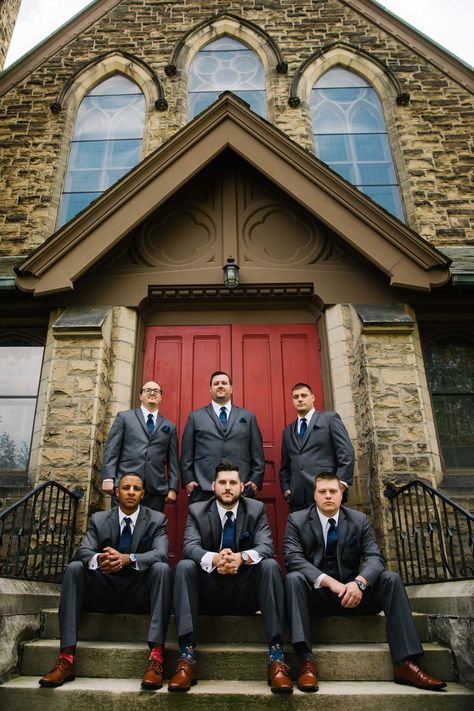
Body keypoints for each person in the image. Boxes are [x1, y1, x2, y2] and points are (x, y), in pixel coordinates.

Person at [283, 472, 446, 693]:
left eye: (333, 491)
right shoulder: (297, 520)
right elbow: (293, 558)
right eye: (322, 491)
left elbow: (375, 558)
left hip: (353, 597)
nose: (328, 496)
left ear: (342, 494)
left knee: (391, 579)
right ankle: (306, 661)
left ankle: (405, 663)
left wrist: (359, 583)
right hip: (316, 598)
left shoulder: (359, 520)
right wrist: (331, 583)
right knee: (293, 579)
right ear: (315, 494)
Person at [38, 473, 172, 690]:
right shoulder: (99, 519)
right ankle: (66, 657)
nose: (130, 492)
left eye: (136, 489)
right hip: (105, 589)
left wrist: (127, 559)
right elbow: (83, 551)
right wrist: (101, 559)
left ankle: (156, 657)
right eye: (126, 488)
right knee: (74, 568)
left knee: (162, 569)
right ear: (117, 492)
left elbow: (162, 553)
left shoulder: (157, 519)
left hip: (139, 593)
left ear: (143, 494)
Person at [168, 461, 292, 693]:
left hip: (245, 592)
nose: (227, 487)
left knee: (271, 566)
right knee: (185, 566)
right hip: (209, 591)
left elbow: (266, 546)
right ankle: (186, 656)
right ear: (213, 486)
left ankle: (276, 655)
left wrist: (240, 558)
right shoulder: (197, 510)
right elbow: (190, 547)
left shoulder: (255, 509)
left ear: (242, 486)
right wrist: (216, 559)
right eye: (222, 483)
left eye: (233, 483)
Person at [181, 371, 264, 503]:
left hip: (241, 487)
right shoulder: (195, 417)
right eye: (216, 383)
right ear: (210, 389)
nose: (220, 386)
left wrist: (255, 481)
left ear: (231, 389)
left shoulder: (248, 417)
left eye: (224, 383)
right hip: (203, 487)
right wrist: (188, 480)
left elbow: (257, 453)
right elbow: (186, 454)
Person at [101, 380, 179, 512]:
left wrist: (172, 488)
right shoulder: (124, 418)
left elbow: (173, 461)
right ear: (140, 396)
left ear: (161, 397)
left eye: (156, 391)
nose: (152, 393)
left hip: (155, 489)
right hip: (126, 485)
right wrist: (108, 478)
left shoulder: (169, 426)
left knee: (151, 529)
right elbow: (112, 450)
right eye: (148, 390)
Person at [280, 382, 354, 510]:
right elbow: (285, 465)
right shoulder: (288, 431)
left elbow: (346, 453)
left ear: (312, 397)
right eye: (296, 397)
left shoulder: (330, 419)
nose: (300, 399)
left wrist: (341, 484)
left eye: (304, 395)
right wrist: (286, 489)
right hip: (297, 498)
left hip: (327, 493)